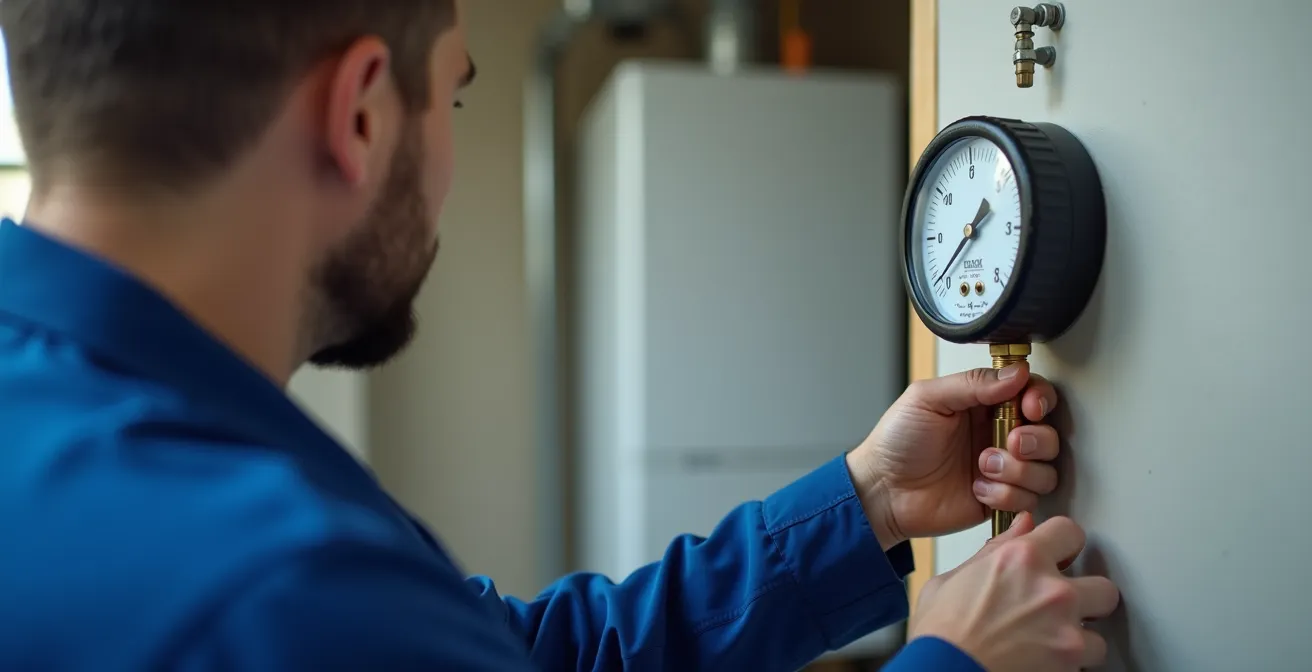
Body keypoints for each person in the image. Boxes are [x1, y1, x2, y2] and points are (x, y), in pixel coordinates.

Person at [0, 1, 1119, 670]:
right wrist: (949, 661)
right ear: (359, 114)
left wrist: (865, 501)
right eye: (454, 100)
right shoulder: (283, 588)